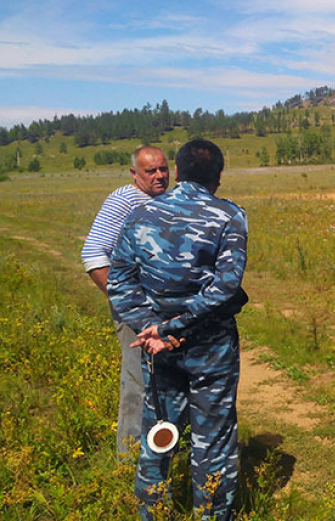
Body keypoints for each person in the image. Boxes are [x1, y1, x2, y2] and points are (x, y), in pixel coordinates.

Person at [108, 138, 248, 521]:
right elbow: (226, 286)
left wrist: (150, 328)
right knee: (214, 439)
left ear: (179, 172)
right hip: (211, 348)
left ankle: (151, 513)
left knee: (157, 432)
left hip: (159, 349)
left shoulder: (140, 216)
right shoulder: (229, 216)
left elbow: (119, 282)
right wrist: (175, 326)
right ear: (218, 176)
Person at [81, 146, 170, 456]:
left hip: (161, 311)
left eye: (163, 168)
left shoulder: (162, 201)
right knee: (138, 381)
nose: (160, 175)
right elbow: (93, 254)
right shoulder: (124, 200)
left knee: (164, 380)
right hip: (135, 310)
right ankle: (129, 457)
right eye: (150, 171)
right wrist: (125, 301)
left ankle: (161, 449)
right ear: (135, 174)